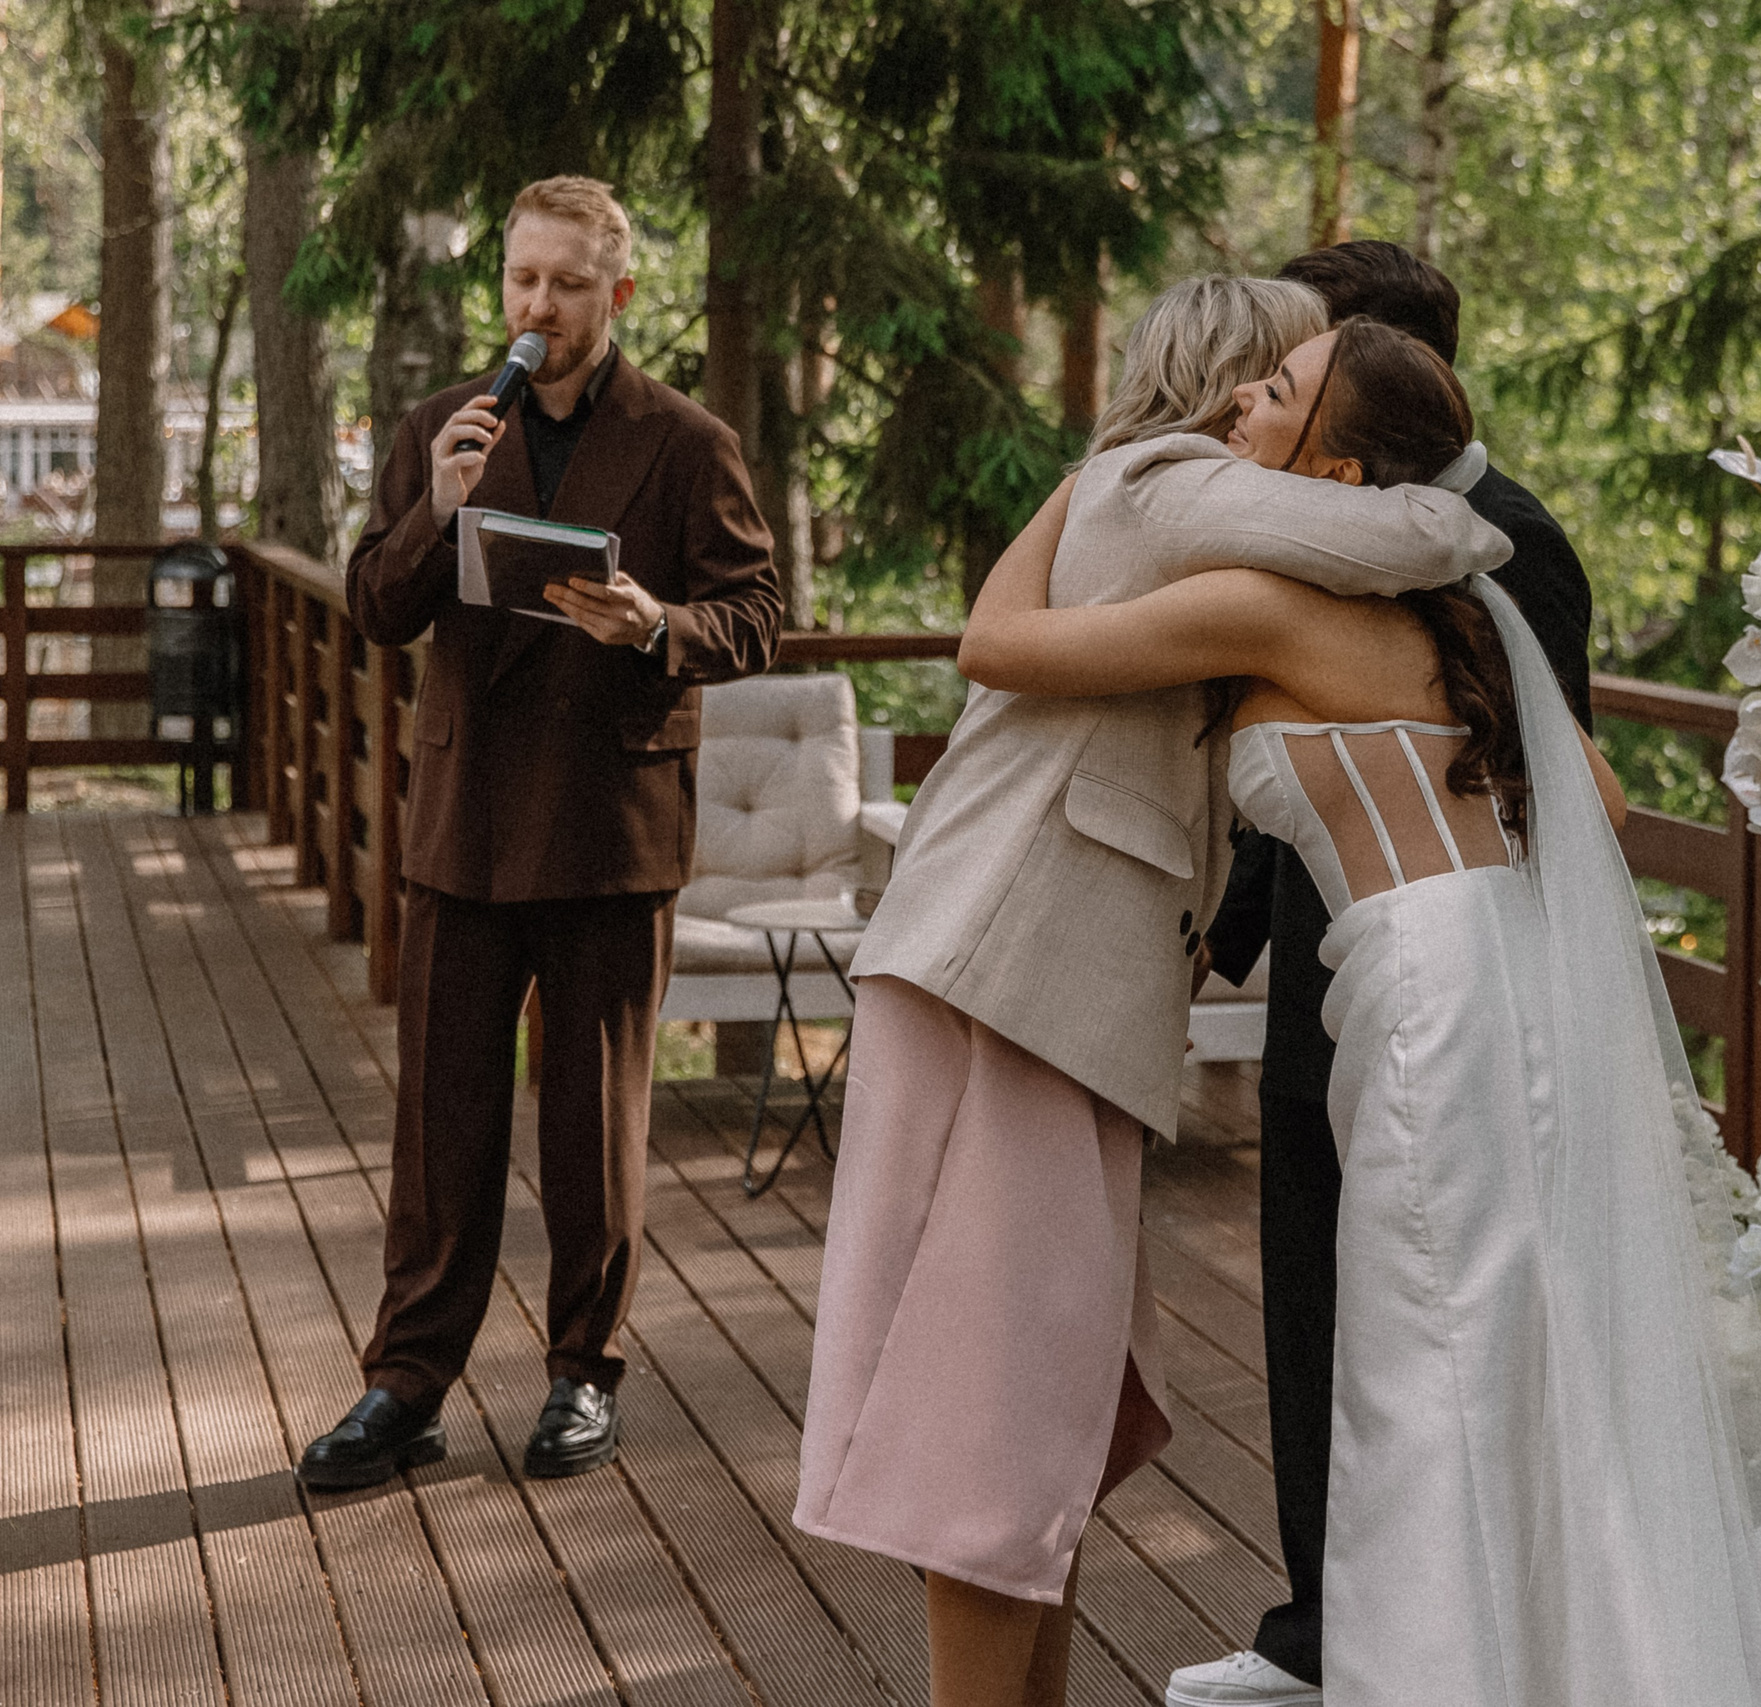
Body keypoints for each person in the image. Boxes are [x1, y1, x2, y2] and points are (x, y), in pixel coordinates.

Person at [963, 319, 1761, 1707]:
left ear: (1343, 468)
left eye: (1278, 392)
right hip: (1467, 974)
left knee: (1425, 1366)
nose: (1242, 400)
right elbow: (1597, 799)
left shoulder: (1270, 610)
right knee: (1492, 1353)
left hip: (1431, 997)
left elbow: (1000, 645)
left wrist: (1081, 483)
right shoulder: (1428, 607)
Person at [791, 277, 1511, 1707]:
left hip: (1038, 983)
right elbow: (1435, 530)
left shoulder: (1118, 492)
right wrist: (1455, 498)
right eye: (1280, 373)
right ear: (1231, 378)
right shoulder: (1172, 484)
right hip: (1013, 976)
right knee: (993, 1411)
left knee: (1035, 1403)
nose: (1274, 401)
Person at [300, 175, 783, 1490]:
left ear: (619, 295)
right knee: (440, 1130)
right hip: (463, 824)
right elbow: (374, 609)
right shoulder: (436, 428)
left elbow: (755, 613)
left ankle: (584, 1374)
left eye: (569, 283)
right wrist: (435, 511)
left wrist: (658, 628)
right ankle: (405, 1388)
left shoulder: (688, 442)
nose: (539, 306)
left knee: (593, 1124)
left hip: (609, 826)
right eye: (522, 280)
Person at [1179, 238, 1596, 1706]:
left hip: (1445, 983)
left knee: (1434, 1319)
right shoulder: (1318, 527)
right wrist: (1220, 933)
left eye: (1297, 359)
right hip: (1331, 963)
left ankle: (1434, 1636)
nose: (1260, 389)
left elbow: (1525, 775)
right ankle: (1322, 1627)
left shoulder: (1510, 540)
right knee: (1317, 1307)